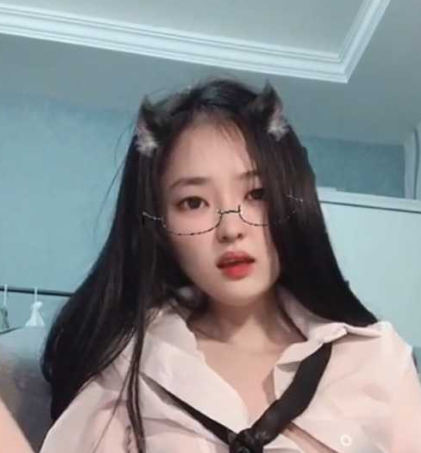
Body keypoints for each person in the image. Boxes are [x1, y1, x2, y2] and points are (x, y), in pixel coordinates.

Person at [39, 79, 421, 453]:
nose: (231, 229)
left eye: (257, 193)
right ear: (160, 226)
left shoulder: (376, 359)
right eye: (193, 202)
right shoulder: (126, 366)